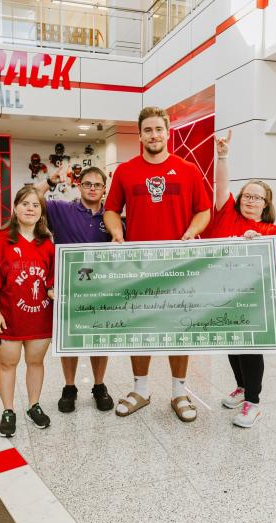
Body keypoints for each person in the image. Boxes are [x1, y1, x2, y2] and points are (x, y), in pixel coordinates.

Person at [103, 106, 212, 422]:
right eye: (147, 130)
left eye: (158, 129)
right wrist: (116, 232)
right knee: (141, 326)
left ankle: (179, 391)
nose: (153, 135)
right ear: (140, 135)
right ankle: (142, 389)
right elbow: (111, 210)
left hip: (179, 264)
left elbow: (203, 211)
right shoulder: (126, 171)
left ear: (168, 133)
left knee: (180, 328)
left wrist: (192, 231)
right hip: (140, 265)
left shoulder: (188, 169)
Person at [202, 130, 276, 428]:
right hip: (222, 298)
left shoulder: (272, 232)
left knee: (250, 349)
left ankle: (253, 401)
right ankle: (241, 387)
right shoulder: (225, 215)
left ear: (266, 204)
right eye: (247, 195)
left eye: (258, 197)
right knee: (233, 346)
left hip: (251, 304)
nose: (251, 200)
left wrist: (254, 246)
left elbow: (273, 265)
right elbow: (221, 184)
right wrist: (223, 155)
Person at [32, 166, 114, 413]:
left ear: (103, 189)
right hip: (69, 289)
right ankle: (69, 387)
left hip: (101, 291)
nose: (92, 188)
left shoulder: (111, 218)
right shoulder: (63, 210)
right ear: (79, 186)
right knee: (71, 341)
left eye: (97, 185)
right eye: (87, 184)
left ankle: (99, 386)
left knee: (100, 341)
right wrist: (49, 181)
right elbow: (33, 198)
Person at [0, 185, 56, 436]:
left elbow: (51, 280)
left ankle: (34, 405)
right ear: (15, 208)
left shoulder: (47, 242)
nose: (30, 208)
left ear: (41, 212)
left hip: (40, 316)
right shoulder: (0, 239)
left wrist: (53, 290)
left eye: (36, 205)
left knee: (35, 362)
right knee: (7, 364)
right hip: (8, 315)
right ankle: (8, 409)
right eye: (25, 203)